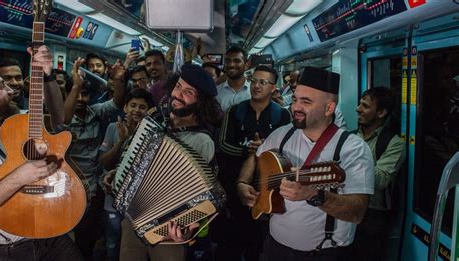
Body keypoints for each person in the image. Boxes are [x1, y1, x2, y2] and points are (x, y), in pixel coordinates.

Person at [237, 67, 374, 260]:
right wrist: (243, 182)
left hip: (321, 253)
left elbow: (357, 212)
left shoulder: (352, 149)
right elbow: (255, 157)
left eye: (306, 102)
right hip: (274, 247)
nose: (296, 107)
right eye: (294, 99)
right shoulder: (282, 134)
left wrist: (316, 196)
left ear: (329, 108)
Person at [114, 64, 221, 261]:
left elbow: (202, 196)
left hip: (169, 230)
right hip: (132, 217)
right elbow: (132, 158)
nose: (179, 94)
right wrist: (118, 175)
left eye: (189, 92)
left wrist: (188, 228)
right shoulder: (154, 119)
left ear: (200, 101)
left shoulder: (202, 141)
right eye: (178, 86)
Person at [0, 46, 84, 260]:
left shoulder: (19, 122)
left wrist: (46, 77)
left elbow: (59, 116)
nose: (11, 90)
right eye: (2, 86)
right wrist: (21, 177)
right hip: (6, 250)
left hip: (50, 234)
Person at [215, 65, 291, 261]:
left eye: (263, 82)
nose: (256, 86)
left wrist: (266, 147)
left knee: (259, 241)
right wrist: (247, 150)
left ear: (274, 88)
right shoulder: (235, 111)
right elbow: (222, 144)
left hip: (267, 187)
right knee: (230, 241)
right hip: (234, 184)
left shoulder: (283, 115)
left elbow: (287, 150)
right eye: (254, 81)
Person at [60, 57, 126, 260]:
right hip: (67, 185)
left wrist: (119, 80)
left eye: (85, 95)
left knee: (86, 237)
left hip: (92, 185)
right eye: (77, 94)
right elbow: (63, 123)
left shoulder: (95, 112)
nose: (81, 99)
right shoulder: (57, 116)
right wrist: (75, 87)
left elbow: (117, 102)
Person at [99, 88, 155, 261]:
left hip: (139, 202)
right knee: (112, 243)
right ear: (124, 108)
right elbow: (105, 162)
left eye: (142, 107)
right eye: (133, 105)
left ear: (149, 111)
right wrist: (122, 140)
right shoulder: (112, 128)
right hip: (112, 199)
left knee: (133, 247)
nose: (136, 110)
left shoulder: (153, 133)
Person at [352, 87, 406, 260]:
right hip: (346, 205)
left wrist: (346, 167)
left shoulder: (393, 143)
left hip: (372, 216)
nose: (358, 109)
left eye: (365, 106)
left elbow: (381, 179)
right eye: (360, 104)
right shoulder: (350, 136)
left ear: (381, 112)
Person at [216, 46, 251, 112]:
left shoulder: (252, 92)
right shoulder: (216, 92)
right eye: (228, 61)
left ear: (246, 65)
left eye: (237, 61)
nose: (231, 65)